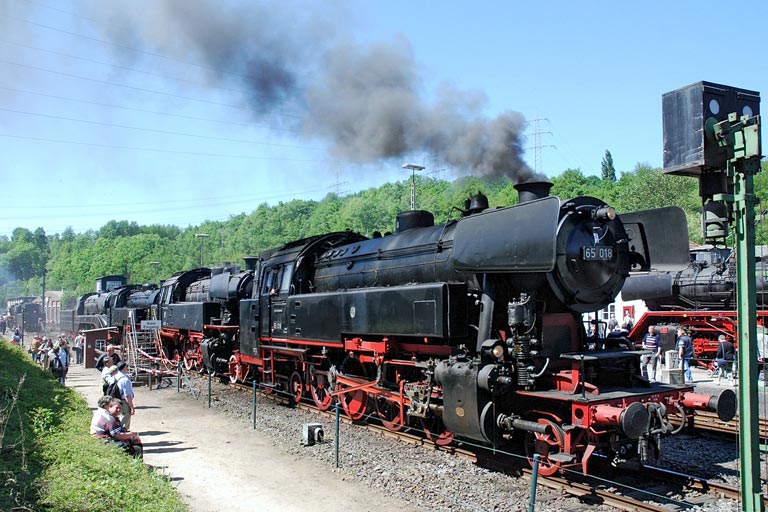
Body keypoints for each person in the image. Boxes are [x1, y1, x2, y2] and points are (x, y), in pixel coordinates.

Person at [114, 361, 136, 431]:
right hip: (124, 401)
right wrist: (132, 407)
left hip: (117, 399)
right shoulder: (125, 380)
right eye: (126, 367)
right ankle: (123, 431)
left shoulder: (116, 376)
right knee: (125, 416)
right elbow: (127, 395)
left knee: (120, 415)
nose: (128, 368)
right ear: (123, 368)